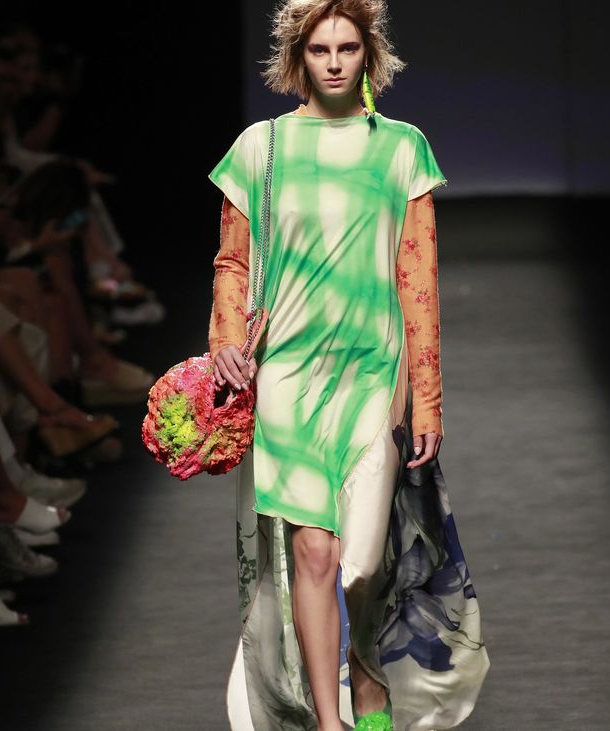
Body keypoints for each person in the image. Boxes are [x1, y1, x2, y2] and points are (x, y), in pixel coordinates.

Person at [207, 3, 488, 730]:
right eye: (320, 49)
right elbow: (233, 261)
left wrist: (427, 398)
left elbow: (417, 280)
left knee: (361, 563)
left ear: (370, 55)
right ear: (297, 57)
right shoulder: (261, 148)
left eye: (348, 48)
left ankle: (364, 667)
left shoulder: (401, 148)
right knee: (314, 552)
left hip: (372, 374)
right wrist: (226, 338)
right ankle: (331, 721)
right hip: (285, 377)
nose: (334, 62)